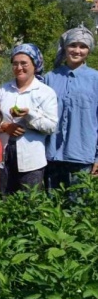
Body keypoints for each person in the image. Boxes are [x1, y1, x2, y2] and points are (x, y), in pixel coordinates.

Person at [0, 44, 57, 194]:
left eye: (24, 63)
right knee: (3, 198)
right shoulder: (3, 90)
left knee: (30, 201)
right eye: (15, 63)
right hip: (3, 155)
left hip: (31, 157)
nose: (19, 67)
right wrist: (4, 126)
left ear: (35, 65)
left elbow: (51, 126)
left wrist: (29, 115)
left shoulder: (45, 92)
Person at [45, 25, 98, 191]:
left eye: (83, 46)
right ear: (65, 47)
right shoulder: (50, 78)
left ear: (89, 50)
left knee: (80, 206)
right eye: (73, 45)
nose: (77, 50)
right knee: (52, 207)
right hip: (52, 155)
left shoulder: (95, 79)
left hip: (83, 155)